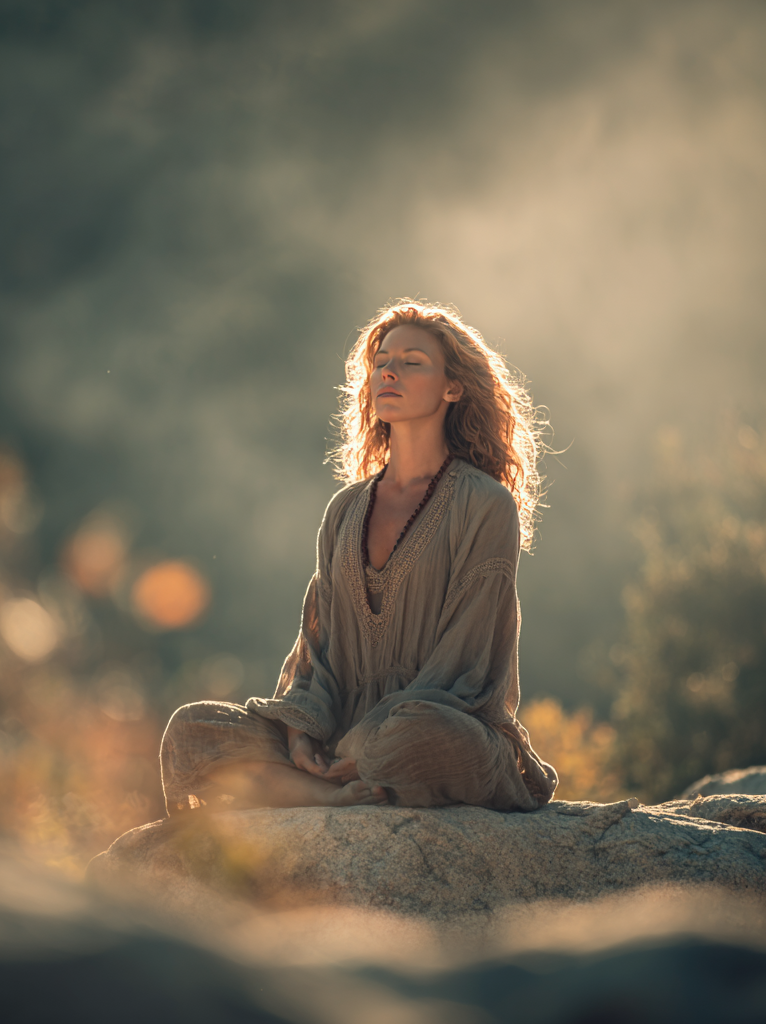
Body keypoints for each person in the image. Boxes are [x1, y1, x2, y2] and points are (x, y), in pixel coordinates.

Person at [160, 300, 557, 814]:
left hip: (434, 729)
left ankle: (321, 785)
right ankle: (329, 790)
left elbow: (464, 664)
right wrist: (302, 731)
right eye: (381, 361)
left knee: (422, 734)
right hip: (340, 733)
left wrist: (365, 741)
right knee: (193, 727)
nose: (389, 372)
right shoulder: (345, 509)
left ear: (453, 388)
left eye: (412, 362)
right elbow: (317, 651)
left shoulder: (485, 504)